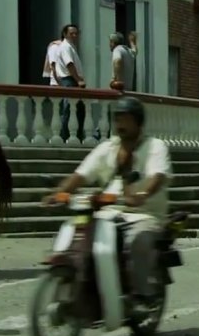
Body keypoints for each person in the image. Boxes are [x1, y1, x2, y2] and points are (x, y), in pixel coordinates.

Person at [44, 96, 171, 310]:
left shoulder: (155, 147)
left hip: (144, 214)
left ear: (138, 122)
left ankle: (142, 294)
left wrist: (142, 194)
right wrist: (59, 193)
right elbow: (81, 175)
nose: (120, 124)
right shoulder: (107, 148)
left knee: (138, 240)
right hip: (108, 212)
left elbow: (158, 176)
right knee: (80, 235)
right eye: (118, 119)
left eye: (126, 119)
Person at [52, 24, 86, 140]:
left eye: (76, 33)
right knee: (70, 109)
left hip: (71, 80)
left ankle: (76, 135)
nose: (74, 36)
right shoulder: (65, 47)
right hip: (70, 80)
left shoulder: (71, 47)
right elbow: (69, 64)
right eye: (71, 33)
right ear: (65, 34)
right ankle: (65, 136)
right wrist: (78, 80)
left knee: (78, 110)